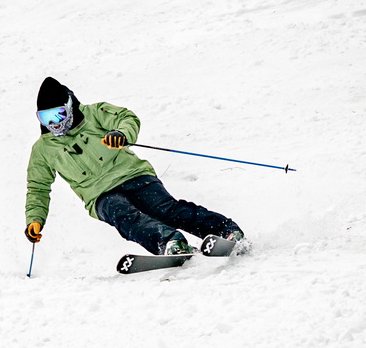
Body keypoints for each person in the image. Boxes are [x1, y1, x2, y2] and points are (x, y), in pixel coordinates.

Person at [24, 76, 244, 255]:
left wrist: (121, 133)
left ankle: (225, 230)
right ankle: (170, 243)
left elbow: (126, 118)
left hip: (133, 175)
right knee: (125, 217)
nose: (54, 123)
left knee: (165, 210)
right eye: (45, 118)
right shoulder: (43, 149)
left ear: (69, 106)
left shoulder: (94, 114)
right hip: (99, 196)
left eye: (58, 114)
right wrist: (34, 220)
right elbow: (38, 188)